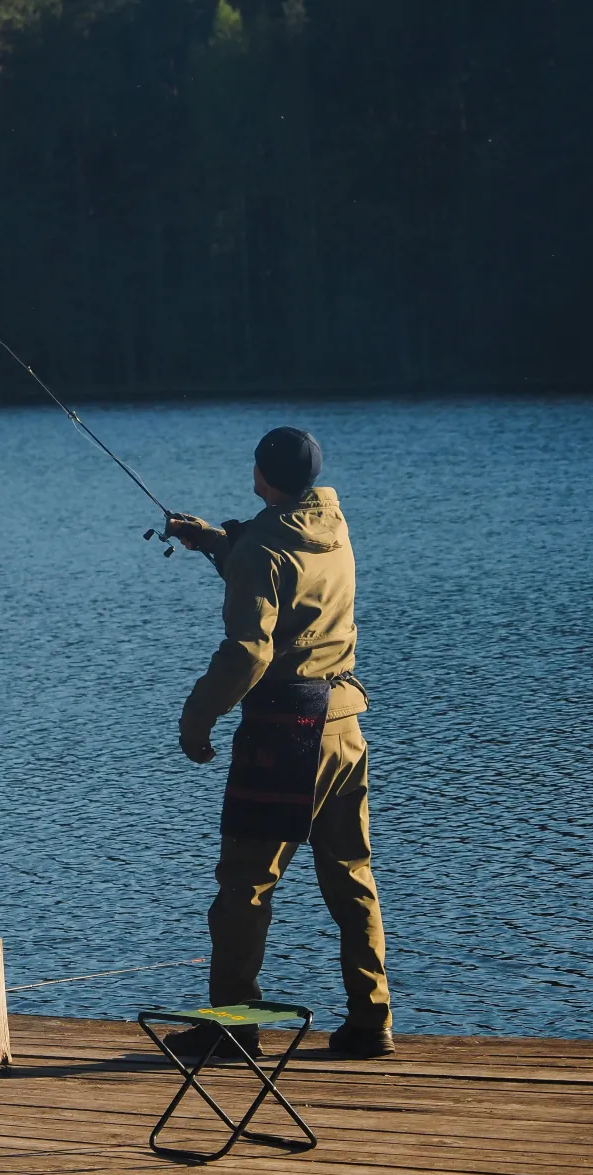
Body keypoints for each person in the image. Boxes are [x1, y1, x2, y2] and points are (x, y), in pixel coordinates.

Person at [163, 427, 394, 1060]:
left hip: (284, 733)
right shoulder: (331, 523)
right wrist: (213, 540)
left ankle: (232, 1026)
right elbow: (280, 563)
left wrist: (196, 718)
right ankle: (371, 1022)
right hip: (344, 724)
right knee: (351, 876)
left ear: (263, 475)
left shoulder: (264, 544)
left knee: (245, 886)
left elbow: (249, 651)